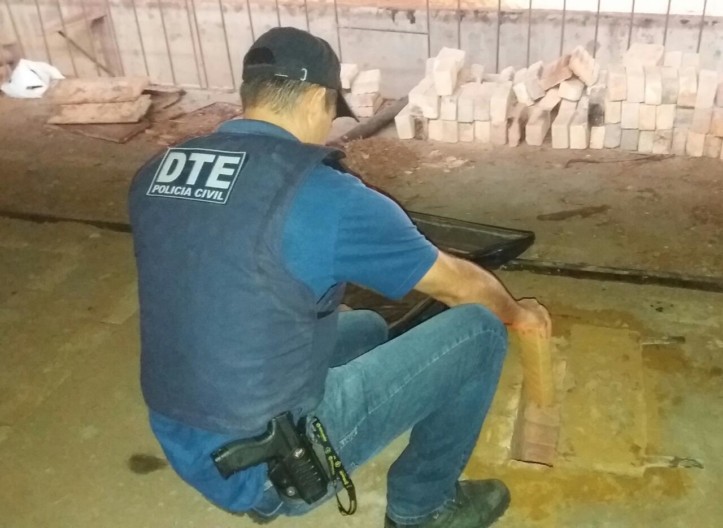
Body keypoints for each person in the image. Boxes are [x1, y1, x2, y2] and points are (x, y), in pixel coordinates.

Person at [129, 27, 551, 528]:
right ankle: (423, 507)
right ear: (315, 98)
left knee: (369, 328)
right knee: (479, 330)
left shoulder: (158, 170)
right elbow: (458, 285)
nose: (329, 126)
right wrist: (518, 314)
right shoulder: (325, 195)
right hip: (271, 464)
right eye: (332, 110)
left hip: (186, 436)